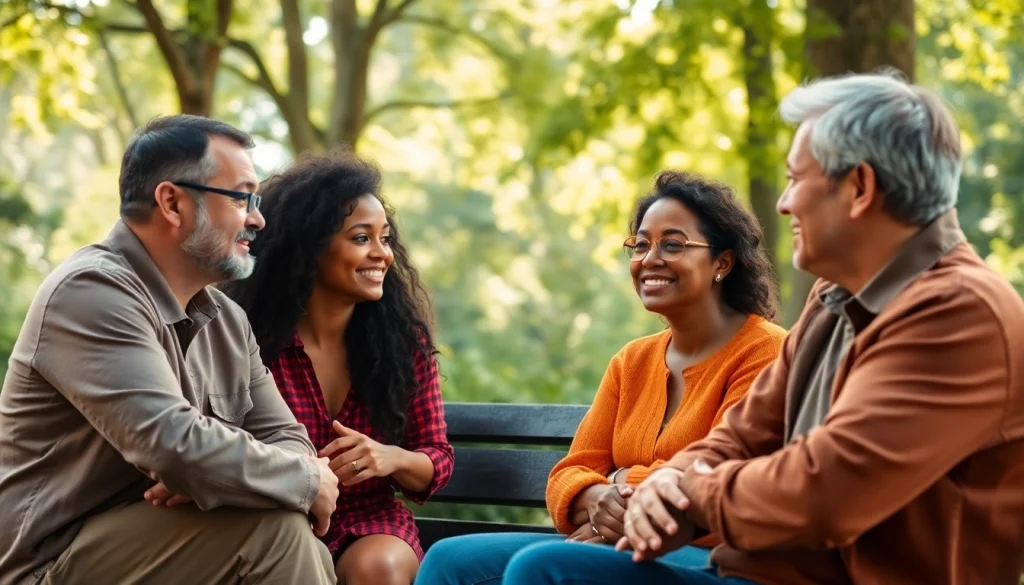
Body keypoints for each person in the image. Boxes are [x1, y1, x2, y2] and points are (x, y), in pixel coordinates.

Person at [496, 71, 1024, 585]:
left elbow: (825, 491)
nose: (783, 202)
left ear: (859, 187)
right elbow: (744, 432)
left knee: (546, 571)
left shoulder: (958, 313)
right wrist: (672, 481)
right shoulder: (832, 297)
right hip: (749, 570)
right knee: (475, 564)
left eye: (797, 179)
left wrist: (681, 492)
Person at [0, 115, 339, 585]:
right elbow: (173, 444)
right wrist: (301, 480)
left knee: (292, 531)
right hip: (53, 564)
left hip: (173, 545)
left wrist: (214, 478)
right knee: (275, 533)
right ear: (172, 202)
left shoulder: (229, 321)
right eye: (242, 197)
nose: (258, 218)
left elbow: (287, 438)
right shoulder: (90, 292)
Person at [415, 170, 786, 585]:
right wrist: (597, 497)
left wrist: (618, 485)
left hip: (713, 557)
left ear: (722, 262)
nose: (649, 259)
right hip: (618, 541)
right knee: (450, 560)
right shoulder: (632, 361)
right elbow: (568, 473)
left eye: (673, 245)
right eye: (640, 244)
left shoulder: (765, 352)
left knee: (542, 569)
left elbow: (715, 478)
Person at [221, 152, 454, 585]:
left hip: (369, 518)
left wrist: (387, 458)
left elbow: (436, 458)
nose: (382, 254)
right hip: (273, 514)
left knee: (380, 566)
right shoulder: (244, 337)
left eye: (385, 239)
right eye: (361, 238)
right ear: (309, 246)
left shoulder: (403, 345)